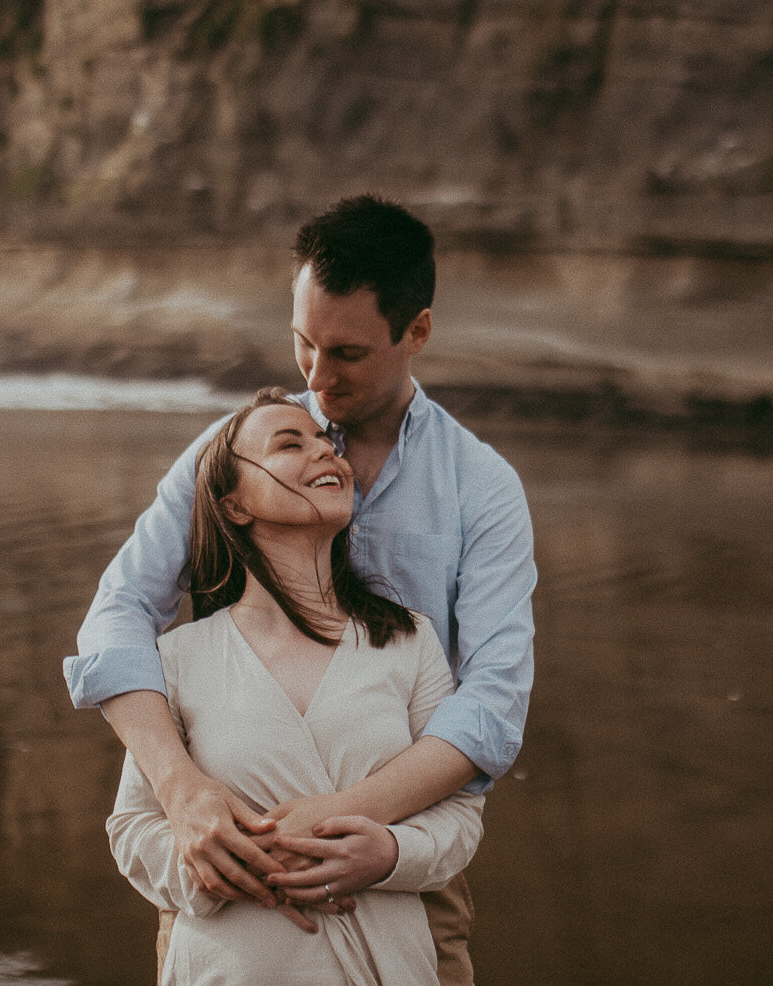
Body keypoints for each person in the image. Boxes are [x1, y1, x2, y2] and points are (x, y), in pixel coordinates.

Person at [65, 196, 536, 985]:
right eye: (301, 343)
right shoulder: (237, 452)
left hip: (402, 879)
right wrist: (183, 791)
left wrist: (360, 825)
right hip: (220, 879)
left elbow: (490, 706)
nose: (315, 378)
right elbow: (116, 617)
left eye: (346, 352)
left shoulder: (481, 489)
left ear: (417, 331)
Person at [108, 389, 484, 984]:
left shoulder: (410, 641)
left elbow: (458, 817)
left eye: (326, 443)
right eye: (290, 443)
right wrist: (227, 869)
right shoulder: (178, 658)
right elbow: (132, 829)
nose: (327, 455)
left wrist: (388, 855)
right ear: (233, 506)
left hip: (388, 964)